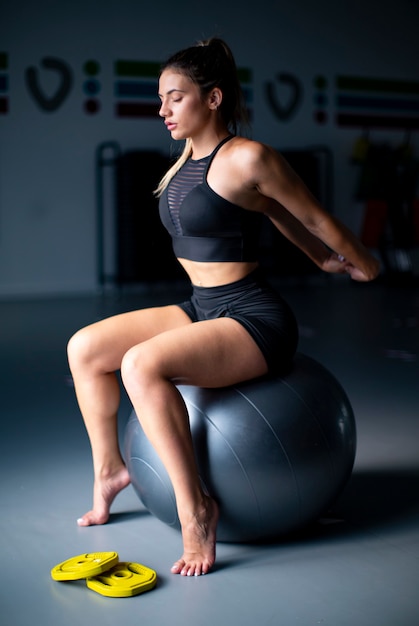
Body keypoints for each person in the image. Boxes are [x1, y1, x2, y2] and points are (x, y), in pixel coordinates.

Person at [67, 37, 380, 577]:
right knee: (86, 348)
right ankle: (110, 472)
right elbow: (273, 215)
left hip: (254, 317)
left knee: (142, 365)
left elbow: (310, 215)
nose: (162, 110)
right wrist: (317, 259)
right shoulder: (185, 159)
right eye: (161, 99)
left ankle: (197, 513)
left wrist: (361, 262)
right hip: (202, 304)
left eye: (175, 98)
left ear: (213, 99)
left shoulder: (248, 156)